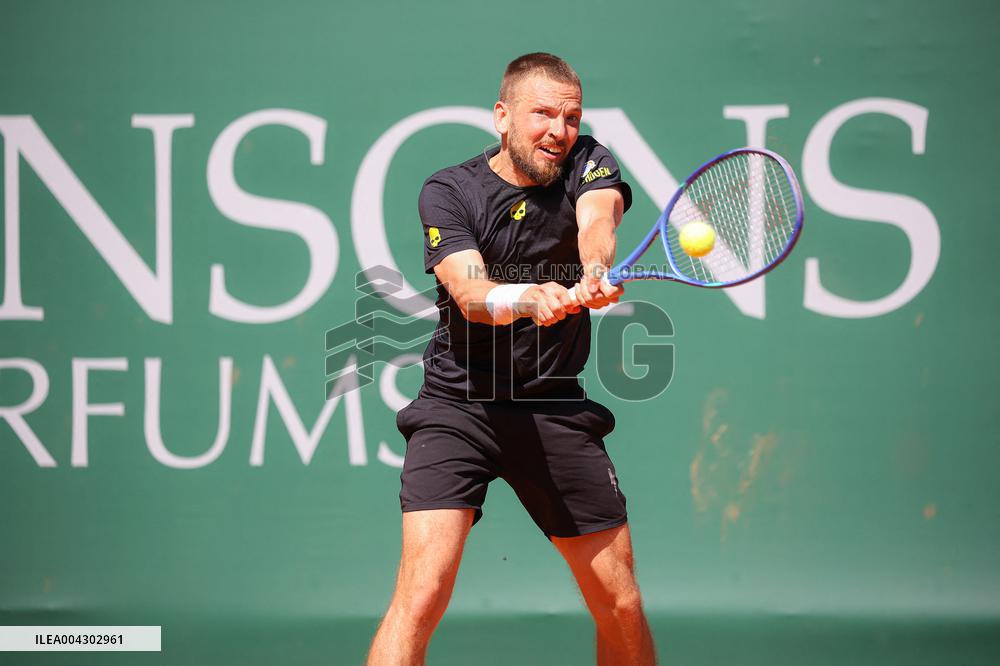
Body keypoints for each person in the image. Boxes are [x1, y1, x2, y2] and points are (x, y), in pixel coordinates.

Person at [367, 53, 657, 666]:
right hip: (457, 407)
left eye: (572, 116)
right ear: (502, 117)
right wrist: (527, 298)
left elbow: (597, 220)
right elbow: (470, 293)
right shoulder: (449, 191)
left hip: (553, 404)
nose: (560, 130)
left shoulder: (588, 161)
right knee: (420, 596)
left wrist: (597, 269)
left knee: (622, 605)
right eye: (543, 114)